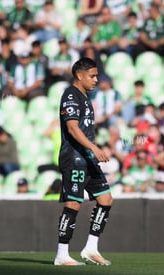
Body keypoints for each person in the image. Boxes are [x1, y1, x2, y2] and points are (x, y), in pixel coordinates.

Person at [54, 57, 112, 266]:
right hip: (74, 158)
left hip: (87, 159)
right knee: (73, 203)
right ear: (79, 75)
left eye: (97, 75)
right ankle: (62, 255)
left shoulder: (85, 97)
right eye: (92, 76)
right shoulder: (71, 95)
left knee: (105, 199)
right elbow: (72, 128)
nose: (96, 79)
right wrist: (94, 148)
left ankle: (91, 248)